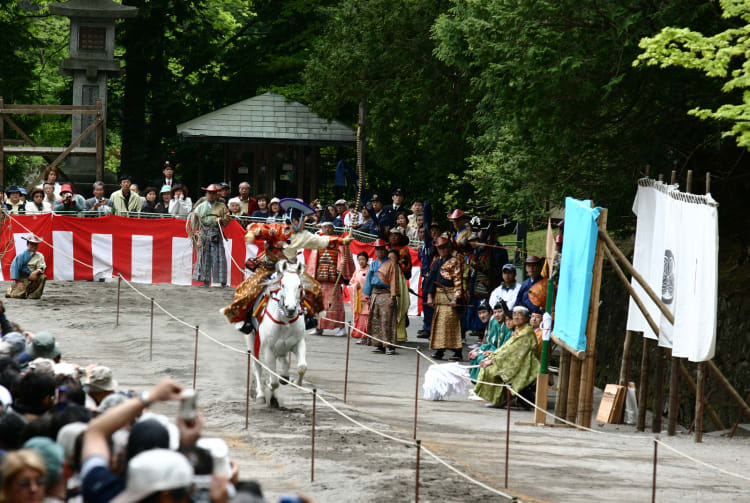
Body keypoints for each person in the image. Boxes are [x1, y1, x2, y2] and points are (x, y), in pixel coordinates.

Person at [222, 198, 354, 337]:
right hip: (270, 267)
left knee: (313, 287)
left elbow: (322, 240)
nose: (305, 224)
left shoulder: (304, 235)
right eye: (303, 221)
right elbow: (258, 227)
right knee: (249, 288)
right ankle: (245, 318)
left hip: (290, 268)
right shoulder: (277, 229)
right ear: (295, 220)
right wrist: (251, 232)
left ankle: (310, 317)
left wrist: (341, 240)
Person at [473, 305, 539, 407]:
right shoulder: (519, 330)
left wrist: (493, 360)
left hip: (523, 363)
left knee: (492, 368)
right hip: (515, 359)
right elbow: (506, 348)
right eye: (514, 314)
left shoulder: (526, 332)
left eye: (519, 314)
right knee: (487, 362)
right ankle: (498, 398)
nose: (516, 317)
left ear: (526, 318)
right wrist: (493, 355)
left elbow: (512, 352)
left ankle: (500, 399)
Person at [306, 221, 354, 336]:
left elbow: (344, 257)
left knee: (335, 303)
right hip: (319, 276)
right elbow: (313, 260)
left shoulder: (339, 241)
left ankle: (341, 327)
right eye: (324, 227)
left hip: (333, 277)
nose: (327, 229)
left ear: (333, 228)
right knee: (318, 303)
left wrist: (342, 263)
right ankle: (318, 327)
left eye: (329, 227)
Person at [424, 236, 464, 361]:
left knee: (450, 322)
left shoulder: (455, 261)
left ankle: (457, 351)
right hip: (439, 295)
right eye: (439, 248)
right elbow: (431, 280)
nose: (441, 250)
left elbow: (458, 280)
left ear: (448, 248)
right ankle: (439, 350)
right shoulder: (436, 261)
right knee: (439, 323)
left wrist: (456, 298)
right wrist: (430, 296)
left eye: (443, 248)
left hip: (450, 294)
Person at [362, 239, 399, 355]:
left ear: (385, 250)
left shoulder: (391, 263)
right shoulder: (373, 263)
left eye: (381, 249)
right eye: (377, 249)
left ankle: (390, 345)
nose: (379, 252)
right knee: (376, 320)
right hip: (375, 294)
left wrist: (393, 296)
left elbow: (394, 280)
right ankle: (379, 344)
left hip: (386, 293)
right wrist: (367, 295)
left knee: (387, 320)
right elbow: (368, 280)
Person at [191, 184, 231, 287]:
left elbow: (227, 218)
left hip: (215, 232)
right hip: (204, 232)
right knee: (204, 256)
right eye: (210, 193)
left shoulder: (221, 206)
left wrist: (221, 219)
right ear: (206, 194)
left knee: (219, 256)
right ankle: (205, 280)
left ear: (217, 195)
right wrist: (195, 217)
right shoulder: (201, 206)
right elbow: (193, 215)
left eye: (214, 193)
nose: (212, 195)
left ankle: (222, 281)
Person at [467, 301, 512, 384]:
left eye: (500, 312)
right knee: (476, 356)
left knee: (481, 358)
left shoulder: (500, 324)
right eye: (480, 313)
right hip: (494, 350)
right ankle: (476, 385)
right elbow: (488, 342)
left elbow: (503, 346)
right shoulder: (495, 323)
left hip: (502, 354)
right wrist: (478, 349)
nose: (482, 315)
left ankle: (480, 386)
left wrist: (484, 351)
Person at [417, 201, 441, 339]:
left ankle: (434, 327)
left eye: (436, 231)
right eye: (432, 231)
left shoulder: (440, 245)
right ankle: (427, 326)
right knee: (426, 302)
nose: (434, 233)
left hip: (436, 278)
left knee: (434, 302)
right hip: (426, 277)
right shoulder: (427, 245)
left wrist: (427, 208)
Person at [462, 232, 492, 339]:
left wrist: (475, 264)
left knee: (482, 308)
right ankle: (474, 330)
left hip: (482, 285)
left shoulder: (486, 253)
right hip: (472, 284)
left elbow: (486, 268)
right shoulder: (472, 253)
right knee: (472, 308)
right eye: (471, 241)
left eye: (475, 240)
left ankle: (481, 334)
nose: (473, 243)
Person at [7, 234, 46, 299]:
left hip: (33, 277)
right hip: (22, 278)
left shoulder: (40, 256)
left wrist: (36, 272)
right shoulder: (21, 256)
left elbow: (42, 266)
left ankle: (34, 294)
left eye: (35, 244)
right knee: (18, 296)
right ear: (27, 244)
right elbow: (15, 268)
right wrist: (18, 282)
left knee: (43, 277)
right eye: (32, 244)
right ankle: (10, 290)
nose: (34, 246)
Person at [387, 248, 411, 345]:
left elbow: (402, 285)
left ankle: (400, 336)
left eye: (393, 257)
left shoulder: (399, 269)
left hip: (399, 296)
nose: (391, 259)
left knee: (399, 315)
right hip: (389, 295)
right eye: (389, 257)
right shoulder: (387, 268)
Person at [348, 252, 370, 341]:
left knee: (366, 316)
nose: (361, 261)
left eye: (363, 259)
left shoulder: (370, 270)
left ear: (367, 260)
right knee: (360, 317)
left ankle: (366, 335)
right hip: (358, 298)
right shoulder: (357, 271)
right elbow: (351, 283)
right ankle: (360, 334)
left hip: (367, 297)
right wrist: (354, 286)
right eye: (359, 260)